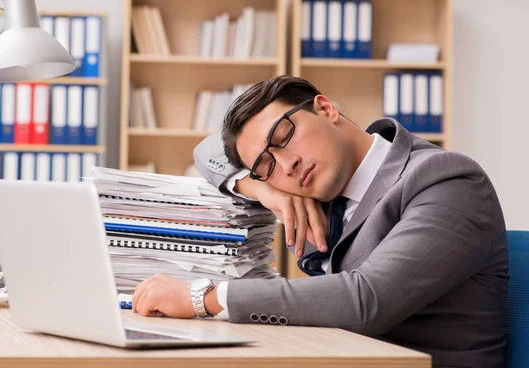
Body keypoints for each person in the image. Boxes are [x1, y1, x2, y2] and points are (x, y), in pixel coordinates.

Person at [132, 75, 508, 367]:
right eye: (267, 166)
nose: (287, 165)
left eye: (284, 137)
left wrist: (204, 297)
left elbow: (366, 300)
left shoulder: (445, 178)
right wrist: (262, 188)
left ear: (326, 108)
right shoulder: (315, 193)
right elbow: (207, 152)